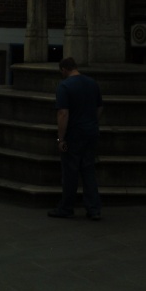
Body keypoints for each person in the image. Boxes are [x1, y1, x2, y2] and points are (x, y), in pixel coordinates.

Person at [48, 57, 103, 220]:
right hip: (91, 132)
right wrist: (92, 122)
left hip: (74, 134)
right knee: (88, 171)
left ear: (64, 69)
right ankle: (94, 209)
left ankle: (66, 207)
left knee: (70, 172)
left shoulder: (64, 86)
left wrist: (61, 138)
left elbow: (63, 113)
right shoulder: (92, 83)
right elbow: (100, 108)